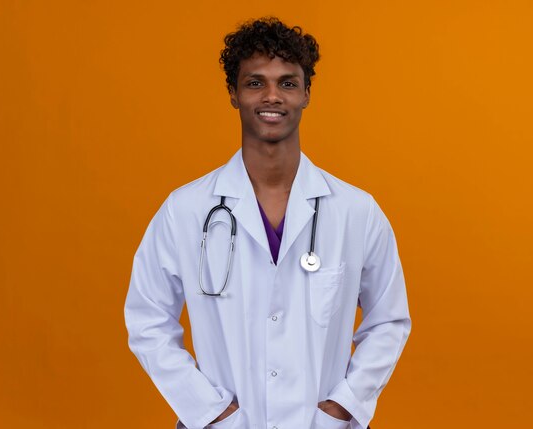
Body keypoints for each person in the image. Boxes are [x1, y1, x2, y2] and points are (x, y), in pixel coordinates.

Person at [124, 17, 411, 429]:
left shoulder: (356, 212)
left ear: (307, 94)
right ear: (233, 94)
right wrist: (209, 411)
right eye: (255, 82)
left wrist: (344, 406)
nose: (272, 96)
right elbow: (147, 319)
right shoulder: (185, 210)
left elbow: (389, 320)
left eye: (288, 83)